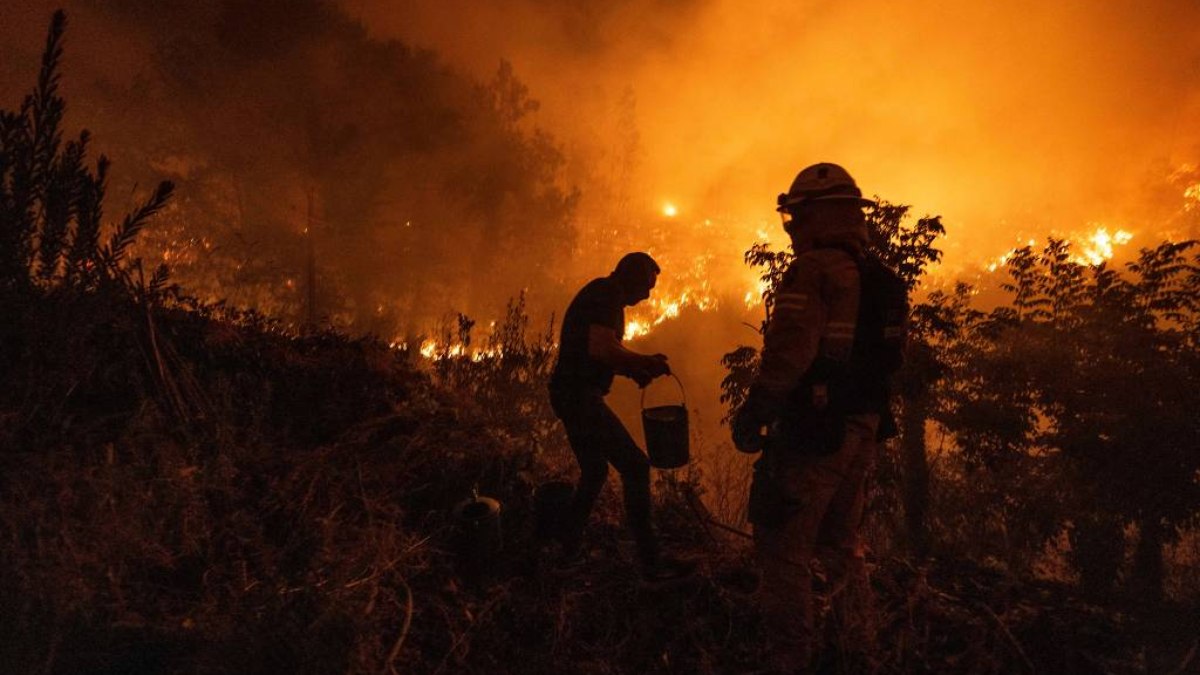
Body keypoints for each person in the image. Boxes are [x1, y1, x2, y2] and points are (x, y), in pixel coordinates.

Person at [732, 163, 908, 671]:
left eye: (797, 217)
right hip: (864, 427)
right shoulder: (883, 282)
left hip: (814, 433)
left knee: (782, 547)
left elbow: (789, 353)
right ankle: (858, 648)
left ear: (819, 215)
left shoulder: (814, 271)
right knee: (840, 542)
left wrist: (756, 411)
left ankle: (790, 658)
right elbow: (892, 361)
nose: (792, 229)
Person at [549, 252, 695, 584]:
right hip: (578, 396)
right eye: (647, 285)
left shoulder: (604, 295)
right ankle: (651, 562)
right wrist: (641, 361)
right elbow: (601, 349)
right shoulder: (606, 296)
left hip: (571, 394)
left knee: (596, 470)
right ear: (629, 276)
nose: (648, 294)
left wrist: (636, 369)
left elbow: (601, 351)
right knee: (636, 466)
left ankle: (564, 547)